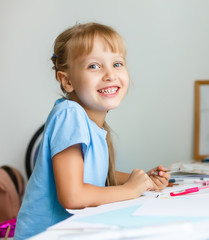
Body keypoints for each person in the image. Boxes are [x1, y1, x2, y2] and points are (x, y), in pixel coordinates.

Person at [14, 22, 170, 239]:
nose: (110, 75)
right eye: (94, 66)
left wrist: (142, 181)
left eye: (117, 64)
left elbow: (92, 175)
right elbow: (73, 196)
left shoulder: (90, 124)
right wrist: (130, 190)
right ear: (67, 81)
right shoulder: (70, 115)